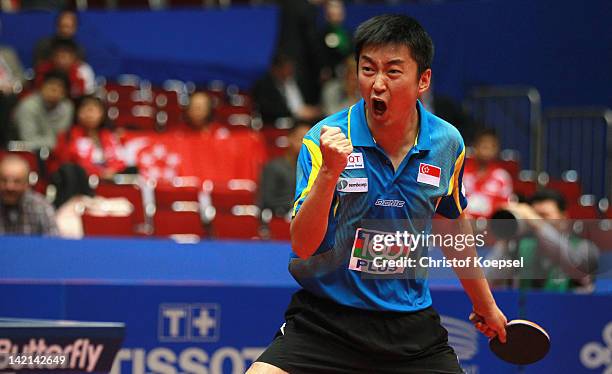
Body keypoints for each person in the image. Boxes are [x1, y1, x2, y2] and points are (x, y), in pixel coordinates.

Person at [248, 14, 507, 374]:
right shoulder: (324, 140)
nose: (377, 84)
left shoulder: (447, 143)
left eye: (393, 71)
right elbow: (303, 244)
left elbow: (452, 227)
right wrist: (328, 174)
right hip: (327, 321)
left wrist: (486, 304)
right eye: (367, 70)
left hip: (409, 327)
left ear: (423, 80)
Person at [486, 189, 599, 292]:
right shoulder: (519, 247)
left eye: (544, 216)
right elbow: (488, 279)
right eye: (533, 216)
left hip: (569, 310)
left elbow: (574, 263)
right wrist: (506, 237)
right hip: (528, 310)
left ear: (564, 218)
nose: (533, 221)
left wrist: (538, 224)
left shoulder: (584, 247)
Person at [54, 95, 125, 180]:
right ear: (78, 112)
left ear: (102, 114)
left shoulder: (109, 135)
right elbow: (68, 164)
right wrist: (99, 173)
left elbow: (120, 160)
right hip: (80, 182)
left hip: (109, 179)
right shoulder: (67, 136)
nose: (90, 113)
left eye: (94, 109)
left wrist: (111, 170)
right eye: (86, 108)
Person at [14, 70, 74, 151]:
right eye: (50, 84)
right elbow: (28, 141)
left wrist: (56, 143)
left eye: (59, 86)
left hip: (55, 153)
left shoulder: (67, 107)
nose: (54, 89)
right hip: (25, 153)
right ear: (41, 87)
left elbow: (62, 138)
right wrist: (55, 142)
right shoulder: (27, 106)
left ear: (64, 93)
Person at [258, 123, 310, 217]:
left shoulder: (313, 169)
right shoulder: (273, 166)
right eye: (301, 139)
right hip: (279, 218)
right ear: (290, 138)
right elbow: (266, 200)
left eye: (310, 141)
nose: (305, 144)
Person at [252, 53, 321, 124]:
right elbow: (268, 110)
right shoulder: (263, 85)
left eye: (291, 67)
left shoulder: (298, 80)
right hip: (278, 124)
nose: (290, 70)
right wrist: (296, 113)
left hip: (304, 121)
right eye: (286, 68)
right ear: (276, 69)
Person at [0, 154, 58, 235]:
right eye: (4, 180)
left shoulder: (42, 207)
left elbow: (53, 244)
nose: (9, 187)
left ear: (26, 184)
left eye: (17, 181)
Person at [463, 129, 513, 218]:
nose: (487, 150)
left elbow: (505, 207)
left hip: (491, 226)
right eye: (484, 145)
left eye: (492, 146)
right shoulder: (462, 173)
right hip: (463, 223)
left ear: (497, 150)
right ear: (475, 147)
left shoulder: (502, 177)